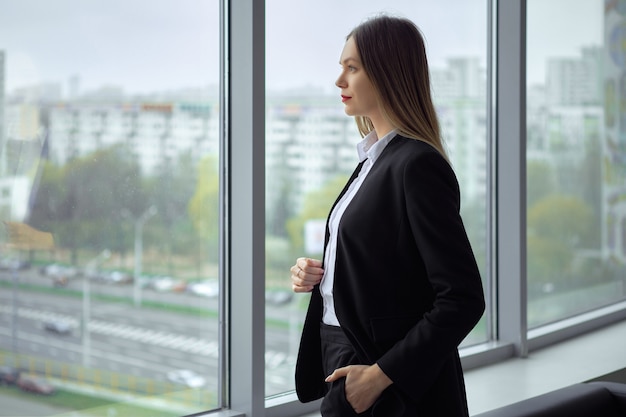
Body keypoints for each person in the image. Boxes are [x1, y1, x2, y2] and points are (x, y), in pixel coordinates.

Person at [290, 14, 485, 417]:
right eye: (340, 67)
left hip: (389, 381)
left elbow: (462, 298)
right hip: (345, 355)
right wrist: (320, 273)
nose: (339, 81)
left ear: (387, 72)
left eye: (352, 68)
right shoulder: (371, 162)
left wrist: (381, 375)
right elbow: (386, 264)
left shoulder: (417, 165)